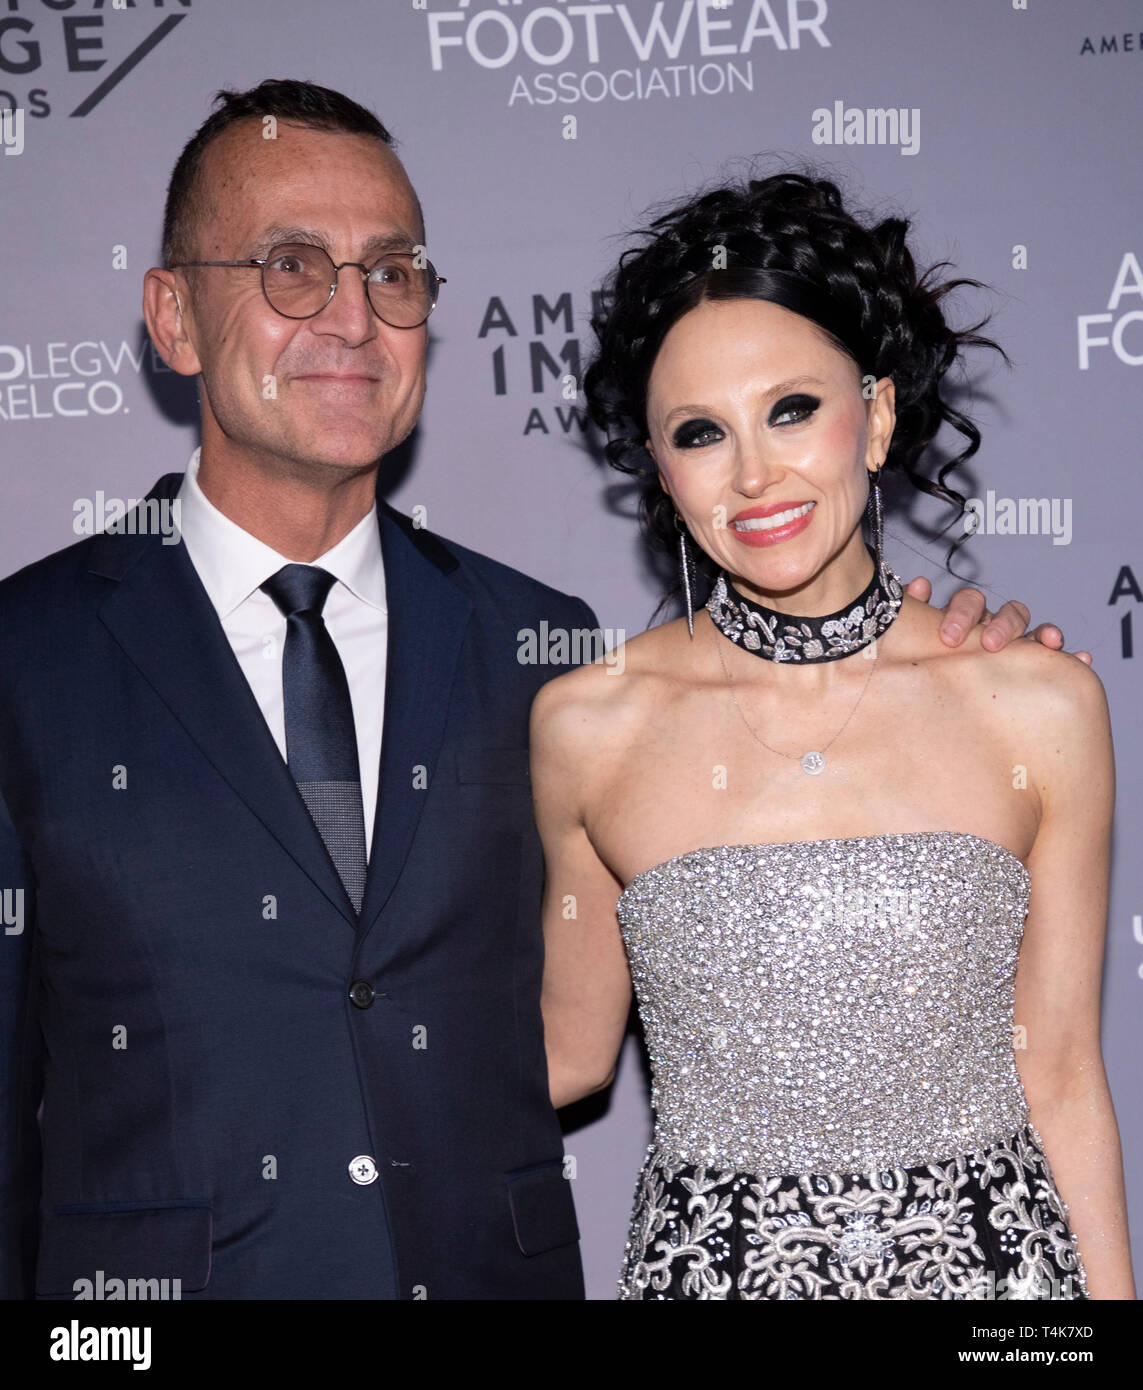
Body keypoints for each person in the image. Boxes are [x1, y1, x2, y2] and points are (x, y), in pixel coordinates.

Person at [0, 83, 1078, 1303]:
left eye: (394, 273)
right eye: (291, 267)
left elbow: (575, 1024)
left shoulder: (543, 649)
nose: (351, 317)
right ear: (174, 316)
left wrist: (935, 679)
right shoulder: (24, 662)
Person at [533, 170, 1135, 1300]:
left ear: (881, 414)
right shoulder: (587, 725)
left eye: (793, 409)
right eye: (701, 433)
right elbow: (564, 1052)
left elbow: (1058, 1074)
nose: (754, 473)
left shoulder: (1040, 703)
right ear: (663, 473)